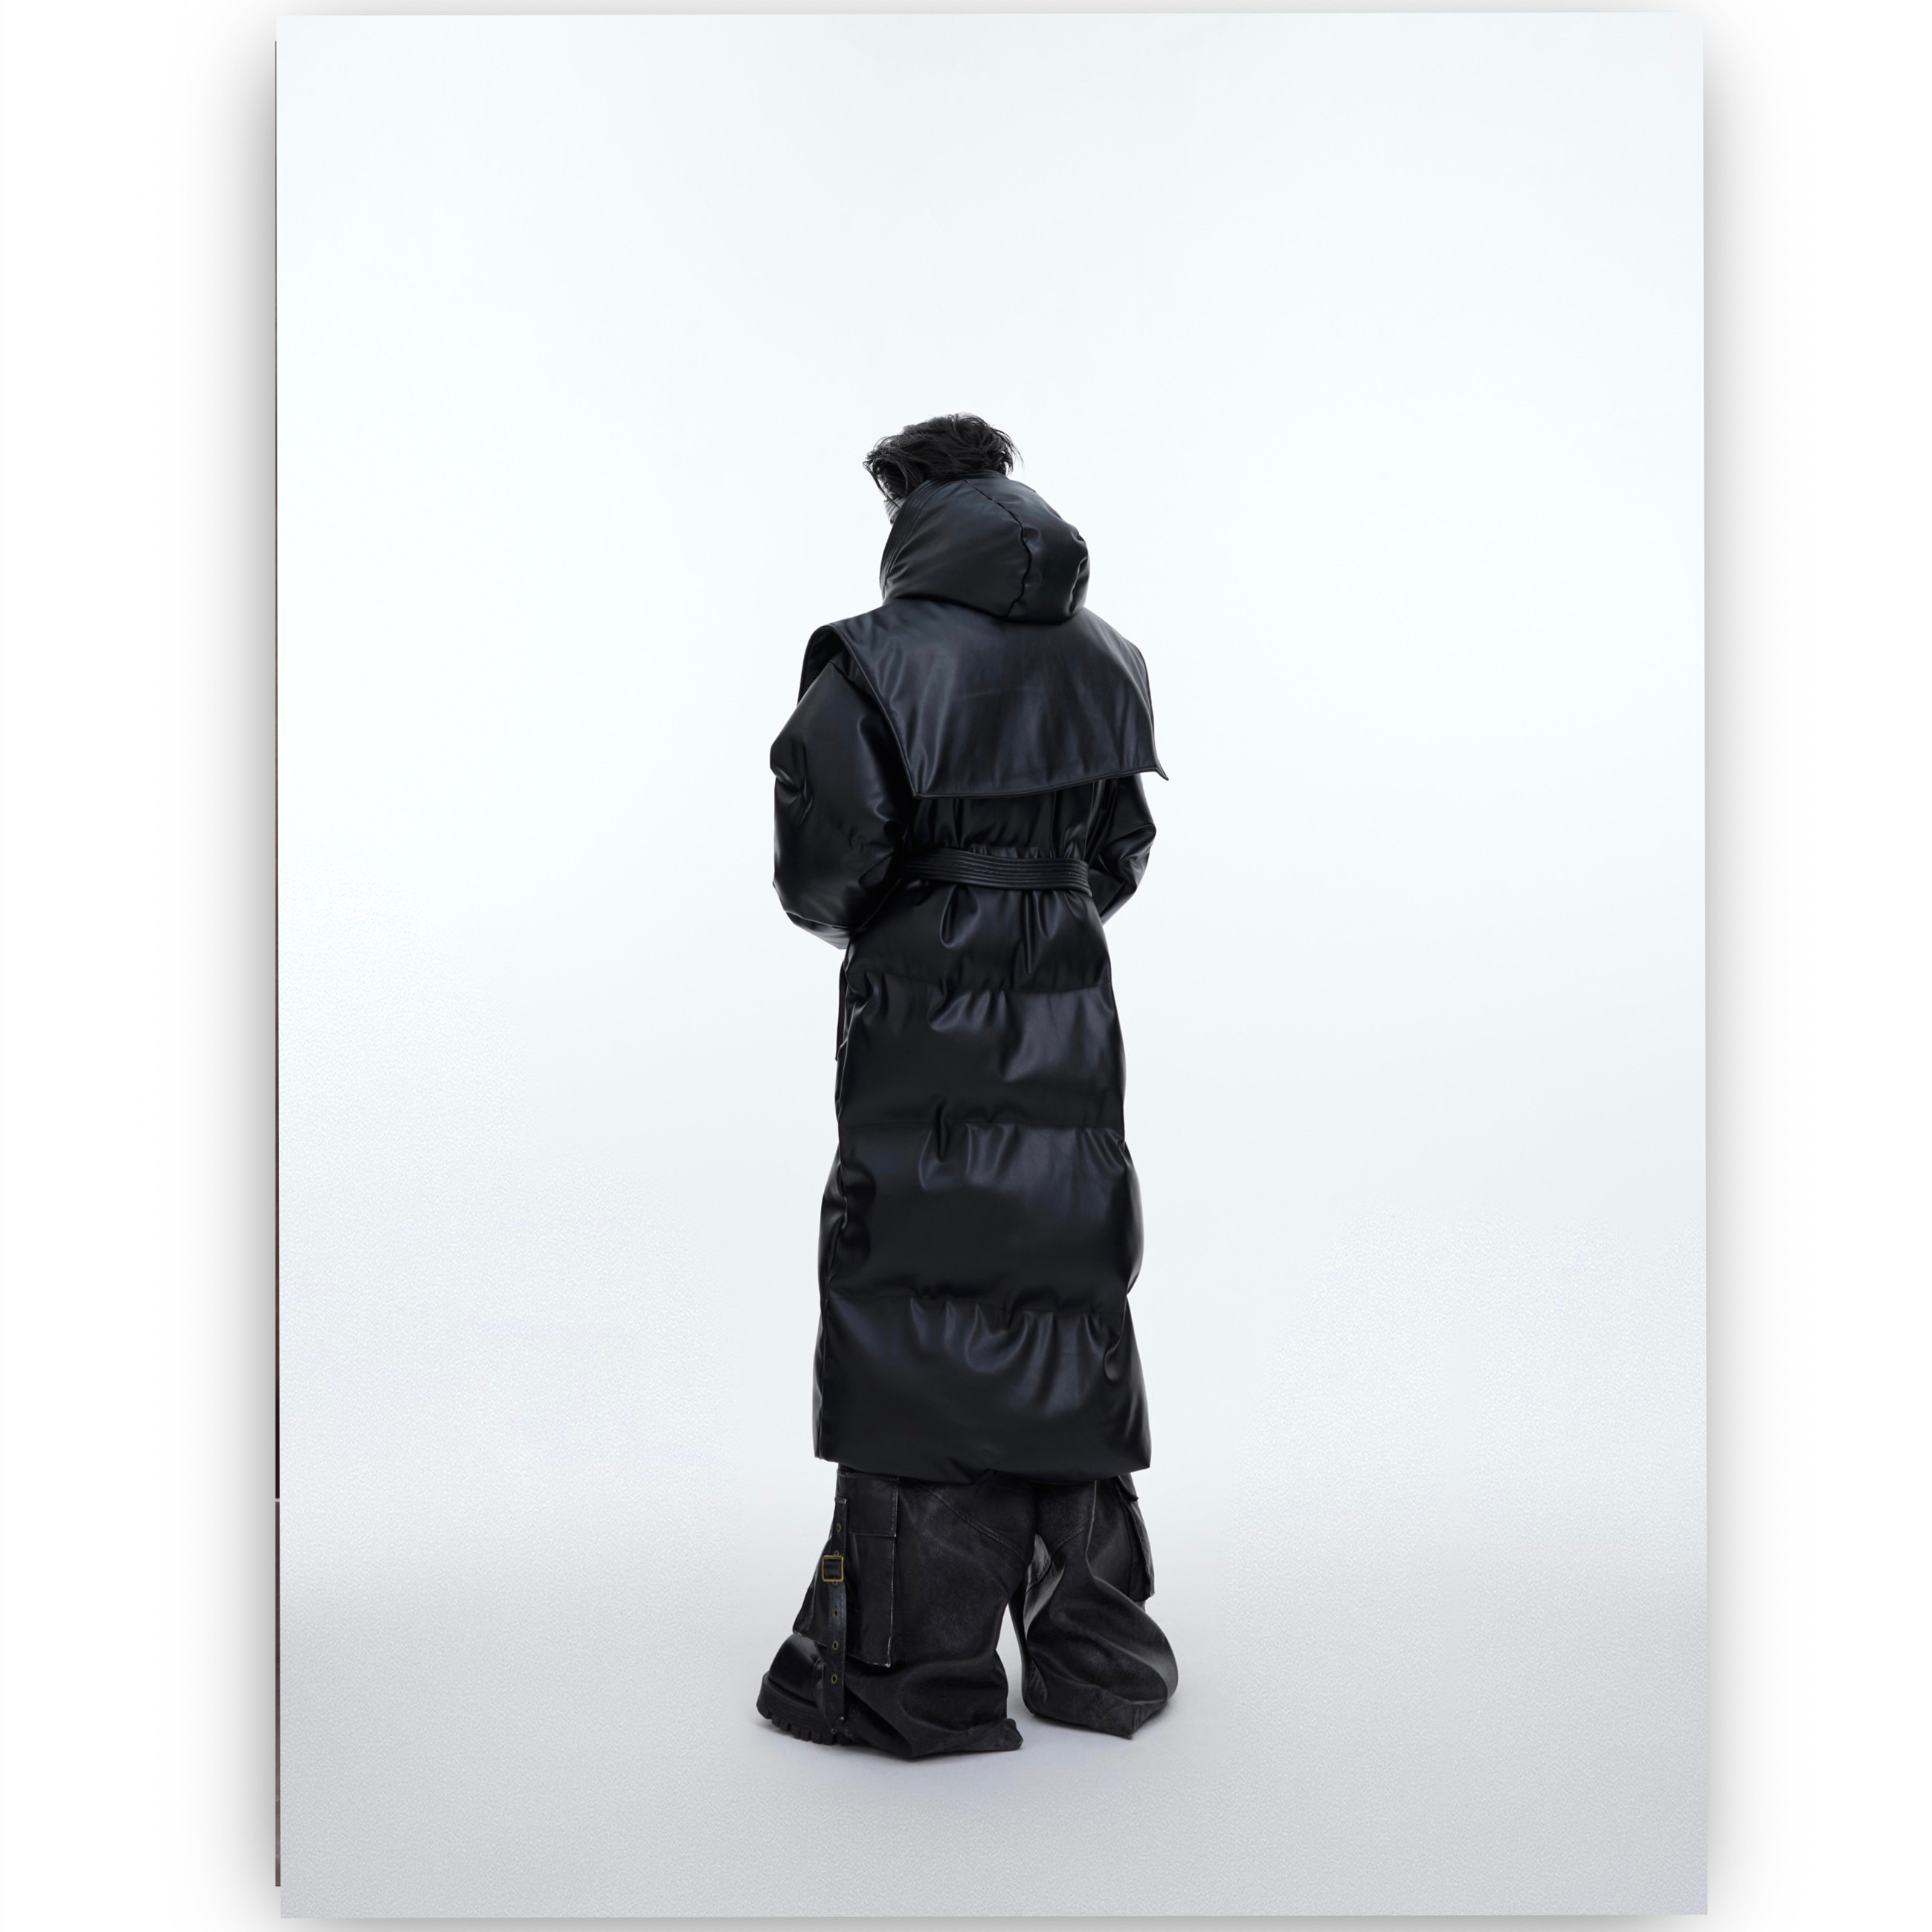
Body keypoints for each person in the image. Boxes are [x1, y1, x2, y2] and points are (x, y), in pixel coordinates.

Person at [755, 414, 1176, 1757]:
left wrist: (925, 920)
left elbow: (821, 871)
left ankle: (915, 1668)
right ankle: (1092, 1648)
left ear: (906, 507)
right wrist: (1036, 905)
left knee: (917, 1296)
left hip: (922, 1018)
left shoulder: (872, 661)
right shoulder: (1109, 656)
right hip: (1070, 1006)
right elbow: (1119, 848)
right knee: (1061, 1284)